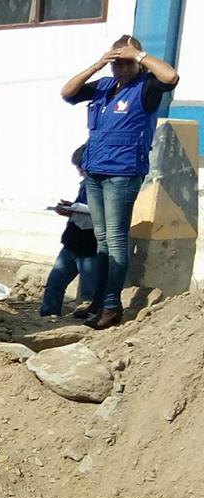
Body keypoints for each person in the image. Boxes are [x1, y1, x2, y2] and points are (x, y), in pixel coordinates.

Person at [61, 34, 178, 329]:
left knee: (115, 241)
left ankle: (112, 306)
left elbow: (171, 76)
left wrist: (138, 55)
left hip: (123, 173)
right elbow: (67, 92)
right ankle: (100, 300)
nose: (122, 68)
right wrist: (98, 64)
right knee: (101, 241)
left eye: (127, 63)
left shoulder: (147, 85)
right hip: (95, 171)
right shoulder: (104, 86)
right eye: (118, 63)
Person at [39, 145, 98, 317]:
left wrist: (73, 210)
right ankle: (48, 317)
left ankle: (89, 321)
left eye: (81, 168)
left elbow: (99, 215)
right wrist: (71, 209)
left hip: (89, 246)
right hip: (73, 242)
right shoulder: (86, 185)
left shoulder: (100, 187)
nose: (80, 172)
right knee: (54, 284)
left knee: (89, 292)